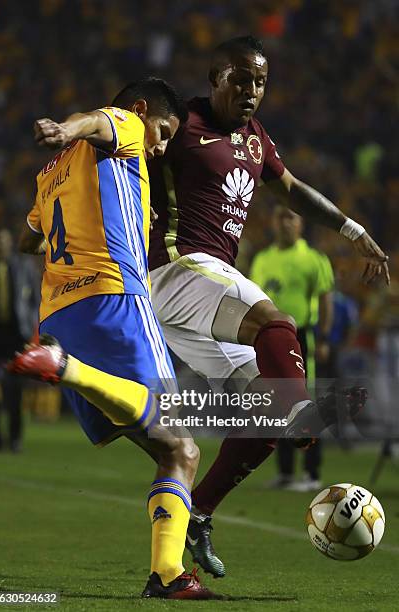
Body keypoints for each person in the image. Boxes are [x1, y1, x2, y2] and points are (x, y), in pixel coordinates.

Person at [147, 36, 389, 577]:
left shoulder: (255, 139)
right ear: (214, 78)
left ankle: (199, 514)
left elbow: (293, 188)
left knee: (263, 412)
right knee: (276, 323)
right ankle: (302, 413)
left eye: (259, 81)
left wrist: (351, 229)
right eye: (240, 79)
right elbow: (125, 145)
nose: (251, 91)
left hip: (198, 292)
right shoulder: (181, 122)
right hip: (180, 266)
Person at [7, 77, 218, 600]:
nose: (161, 146)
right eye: (162, 132)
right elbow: (99, 118)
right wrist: (65, 128)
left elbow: (27, 237)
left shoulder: (51, 173)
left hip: (60, 312)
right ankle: (63, 367)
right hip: (115, 296)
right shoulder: (123, 123)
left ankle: (166, 575)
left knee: (178, 453)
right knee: (181, 441)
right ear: (143, 111)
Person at [249, 205, 334, 492]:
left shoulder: (313, 259)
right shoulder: (262, 259)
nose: (285, 222)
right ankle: (285, 471)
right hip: (269, 338)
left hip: (301, 336)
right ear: (273, 222)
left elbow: (325, 301)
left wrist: (323, 338)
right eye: (280, 216)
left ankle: (312, 473)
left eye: (291, 217)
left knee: (304, 403)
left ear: (300, 224)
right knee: (277, 404)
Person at [0, 228, 40, 452]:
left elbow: (35, 300)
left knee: (15, 390)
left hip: (16, 334)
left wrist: (30, 323)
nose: (1, 244)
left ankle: (15, 439)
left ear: (9, 243)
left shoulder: (23, 267)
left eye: (4, 240)